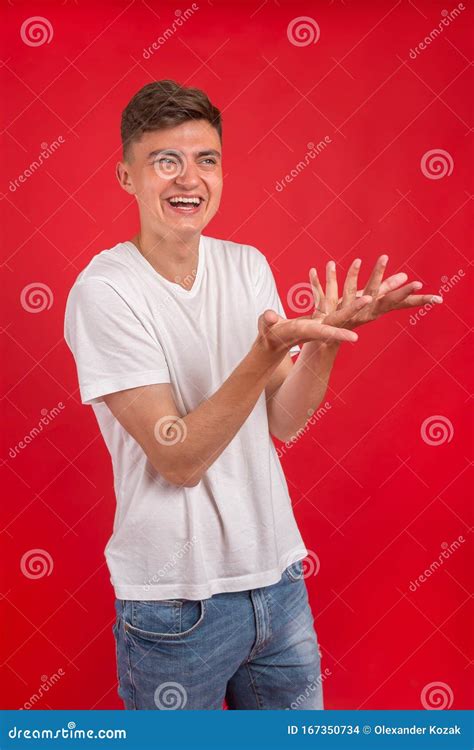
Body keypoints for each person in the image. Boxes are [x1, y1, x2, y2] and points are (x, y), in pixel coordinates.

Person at [63, 80, 442, 710]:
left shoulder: (246, 265)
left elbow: (284, 420)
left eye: (206, 159)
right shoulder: (105, 291)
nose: (190, 178)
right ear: (126, 176)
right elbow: (178, 457)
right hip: (175, 602)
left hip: (278, 580)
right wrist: (264, 352)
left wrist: (327, 340)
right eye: (165, 161)